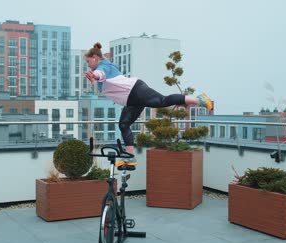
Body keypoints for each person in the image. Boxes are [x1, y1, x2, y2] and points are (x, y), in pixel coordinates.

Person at [85, 42, 213, 165]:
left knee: (162, 101)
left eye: (88, 61)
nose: (88, 65)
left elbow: (100, 73)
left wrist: (93, 75)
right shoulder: (108, 64)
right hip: (130, 100)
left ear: (95, 58)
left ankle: (199, 100)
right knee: (124, 124)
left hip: (135, 90)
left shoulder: (103, 66)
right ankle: (130, 157)